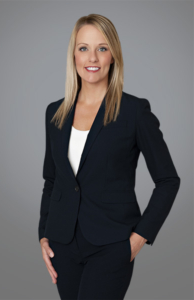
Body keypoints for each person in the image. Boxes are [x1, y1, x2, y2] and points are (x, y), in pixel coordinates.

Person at [38, 14, 181, 300]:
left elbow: (168, 180)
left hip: (111, 244)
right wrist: (44, 233)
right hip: (63, 244)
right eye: (83, 48)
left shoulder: (134, 112)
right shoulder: (55, 112)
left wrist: (138, 239)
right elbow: (52, 180)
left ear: (113, 55)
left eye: (102, 48)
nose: (92, 57)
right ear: (74, 55)